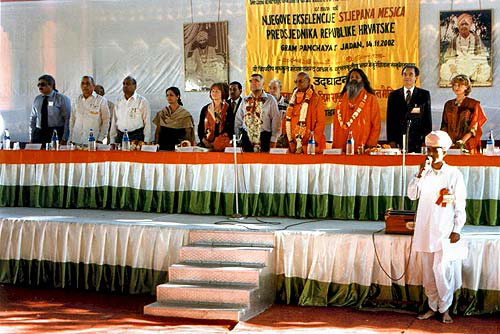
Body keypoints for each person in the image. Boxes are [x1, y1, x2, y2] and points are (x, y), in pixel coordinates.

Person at [408, 130, 466, 324]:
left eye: (436, 150)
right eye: (429, 149)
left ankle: (445, 308)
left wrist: (457, 229)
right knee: (428, 273)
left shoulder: (453, 174)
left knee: (441, 271)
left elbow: (460, 204)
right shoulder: (424, 173)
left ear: (445, 152)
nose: (431, 153)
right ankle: (433, 307)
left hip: (443, 231)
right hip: (425, 230)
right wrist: (419, 174)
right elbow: (411, 195)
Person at [387, 65, 432, 152]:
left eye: (411, 74)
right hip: (398, 141)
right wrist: (391, 140)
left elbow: (427, 119)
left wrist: (426, 140)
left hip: (417, 141)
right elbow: (390, 120)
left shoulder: (424, 95)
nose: (407, 77)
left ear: (416, 77)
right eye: (405, 74)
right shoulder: (393, 95)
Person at [332, 68, 380, 150]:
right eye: (352, 77)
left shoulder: (370, 98)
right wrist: (336, 145)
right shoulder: (341, 99)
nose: (354, 79)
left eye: (357, 77)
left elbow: (376, 124)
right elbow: (337, 124)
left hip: (363, 147)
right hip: (342, 146)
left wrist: (370, 145)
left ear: (363, 81)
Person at [234, 73, 281, 152]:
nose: (253, 83)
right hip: (246, 138)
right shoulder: (245, 100)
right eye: (251, 81)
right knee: (247, 163)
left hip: (264, 138)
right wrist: (238, 139)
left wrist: (274, 139)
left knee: (263, 163)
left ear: (263, 84)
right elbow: (238, 120)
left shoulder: (270, 100)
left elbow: (276, 121)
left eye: (256, 81)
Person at [440, 74, 486, 154]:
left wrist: (462, 141)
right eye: (455, 85)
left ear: (467, 87)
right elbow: (444, 125)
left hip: (468, 144)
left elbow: (474, 127)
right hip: (450, 144)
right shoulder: (448, 104)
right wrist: (447, 141)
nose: (457, 87)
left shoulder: (473, 104)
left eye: (460, 85)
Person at [440, 13, 491, 84]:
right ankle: (460, 78)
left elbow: (482, 55)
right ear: (458, 26)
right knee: (444, 68)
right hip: (458, 64)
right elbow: (449, 57)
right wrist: (451, 64)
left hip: (473, 64)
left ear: (470, 26)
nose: (464, 26)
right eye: (462, 24)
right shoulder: (454, 39)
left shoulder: (476, 38)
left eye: (466, 24)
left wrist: (479, 65)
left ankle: (470, 77)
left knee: (486, 68)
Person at [281, 72, 325, 153]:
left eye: (300, 81)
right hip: (292, 145)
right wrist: (285, 135)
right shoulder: (293, 98)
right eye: (296, 81)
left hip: (309, 145)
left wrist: (313, 141)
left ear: (308, 81)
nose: (297, 84)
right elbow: (286, 117)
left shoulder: (316, 99)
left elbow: (320, 123)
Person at [30, 74, 71, 144]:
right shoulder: (37, 99)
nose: (40, 86)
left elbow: (67, 119)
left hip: (55, 133)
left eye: (42, 84)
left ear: (51, 85)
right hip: (39, 133)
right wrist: (31, 137)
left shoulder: (61, 99)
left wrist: (65, 138)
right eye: (38, 84)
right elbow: (33, 119)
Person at [110, 76, 151, 144]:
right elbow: (114, 121)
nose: (125, 86)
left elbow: (147, 122)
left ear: (135, 86)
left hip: (136, 137)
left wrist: (146, 140)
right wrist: (112, 139)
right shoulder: (118, 101)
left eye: (128, 84)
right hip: (120, 136)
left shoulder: (142, 101)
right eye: (124, 84)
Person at [69, 76, 110, 145]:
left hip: (93, 142)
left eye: (88, 83)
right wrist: (71, 137)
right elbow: (72, 120)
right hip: (76, 140)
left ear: (93, 86)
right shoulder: (77, 100)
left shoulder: (101, 100)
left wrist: (100, 139)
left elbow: (106, 121)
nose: (85, 86)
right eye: (83, 83)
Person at [198, 83, 234, 151]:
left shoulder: (228, 108)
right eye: (212, 91)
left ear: (222, 93)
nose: (214, 93)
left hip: (222, 145)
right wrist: (204, 141)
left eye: (217, 91)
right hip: (206, 144)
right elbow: (200, 127)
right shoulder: (206, 109)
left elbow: (230, 128)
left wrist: (217, 142)